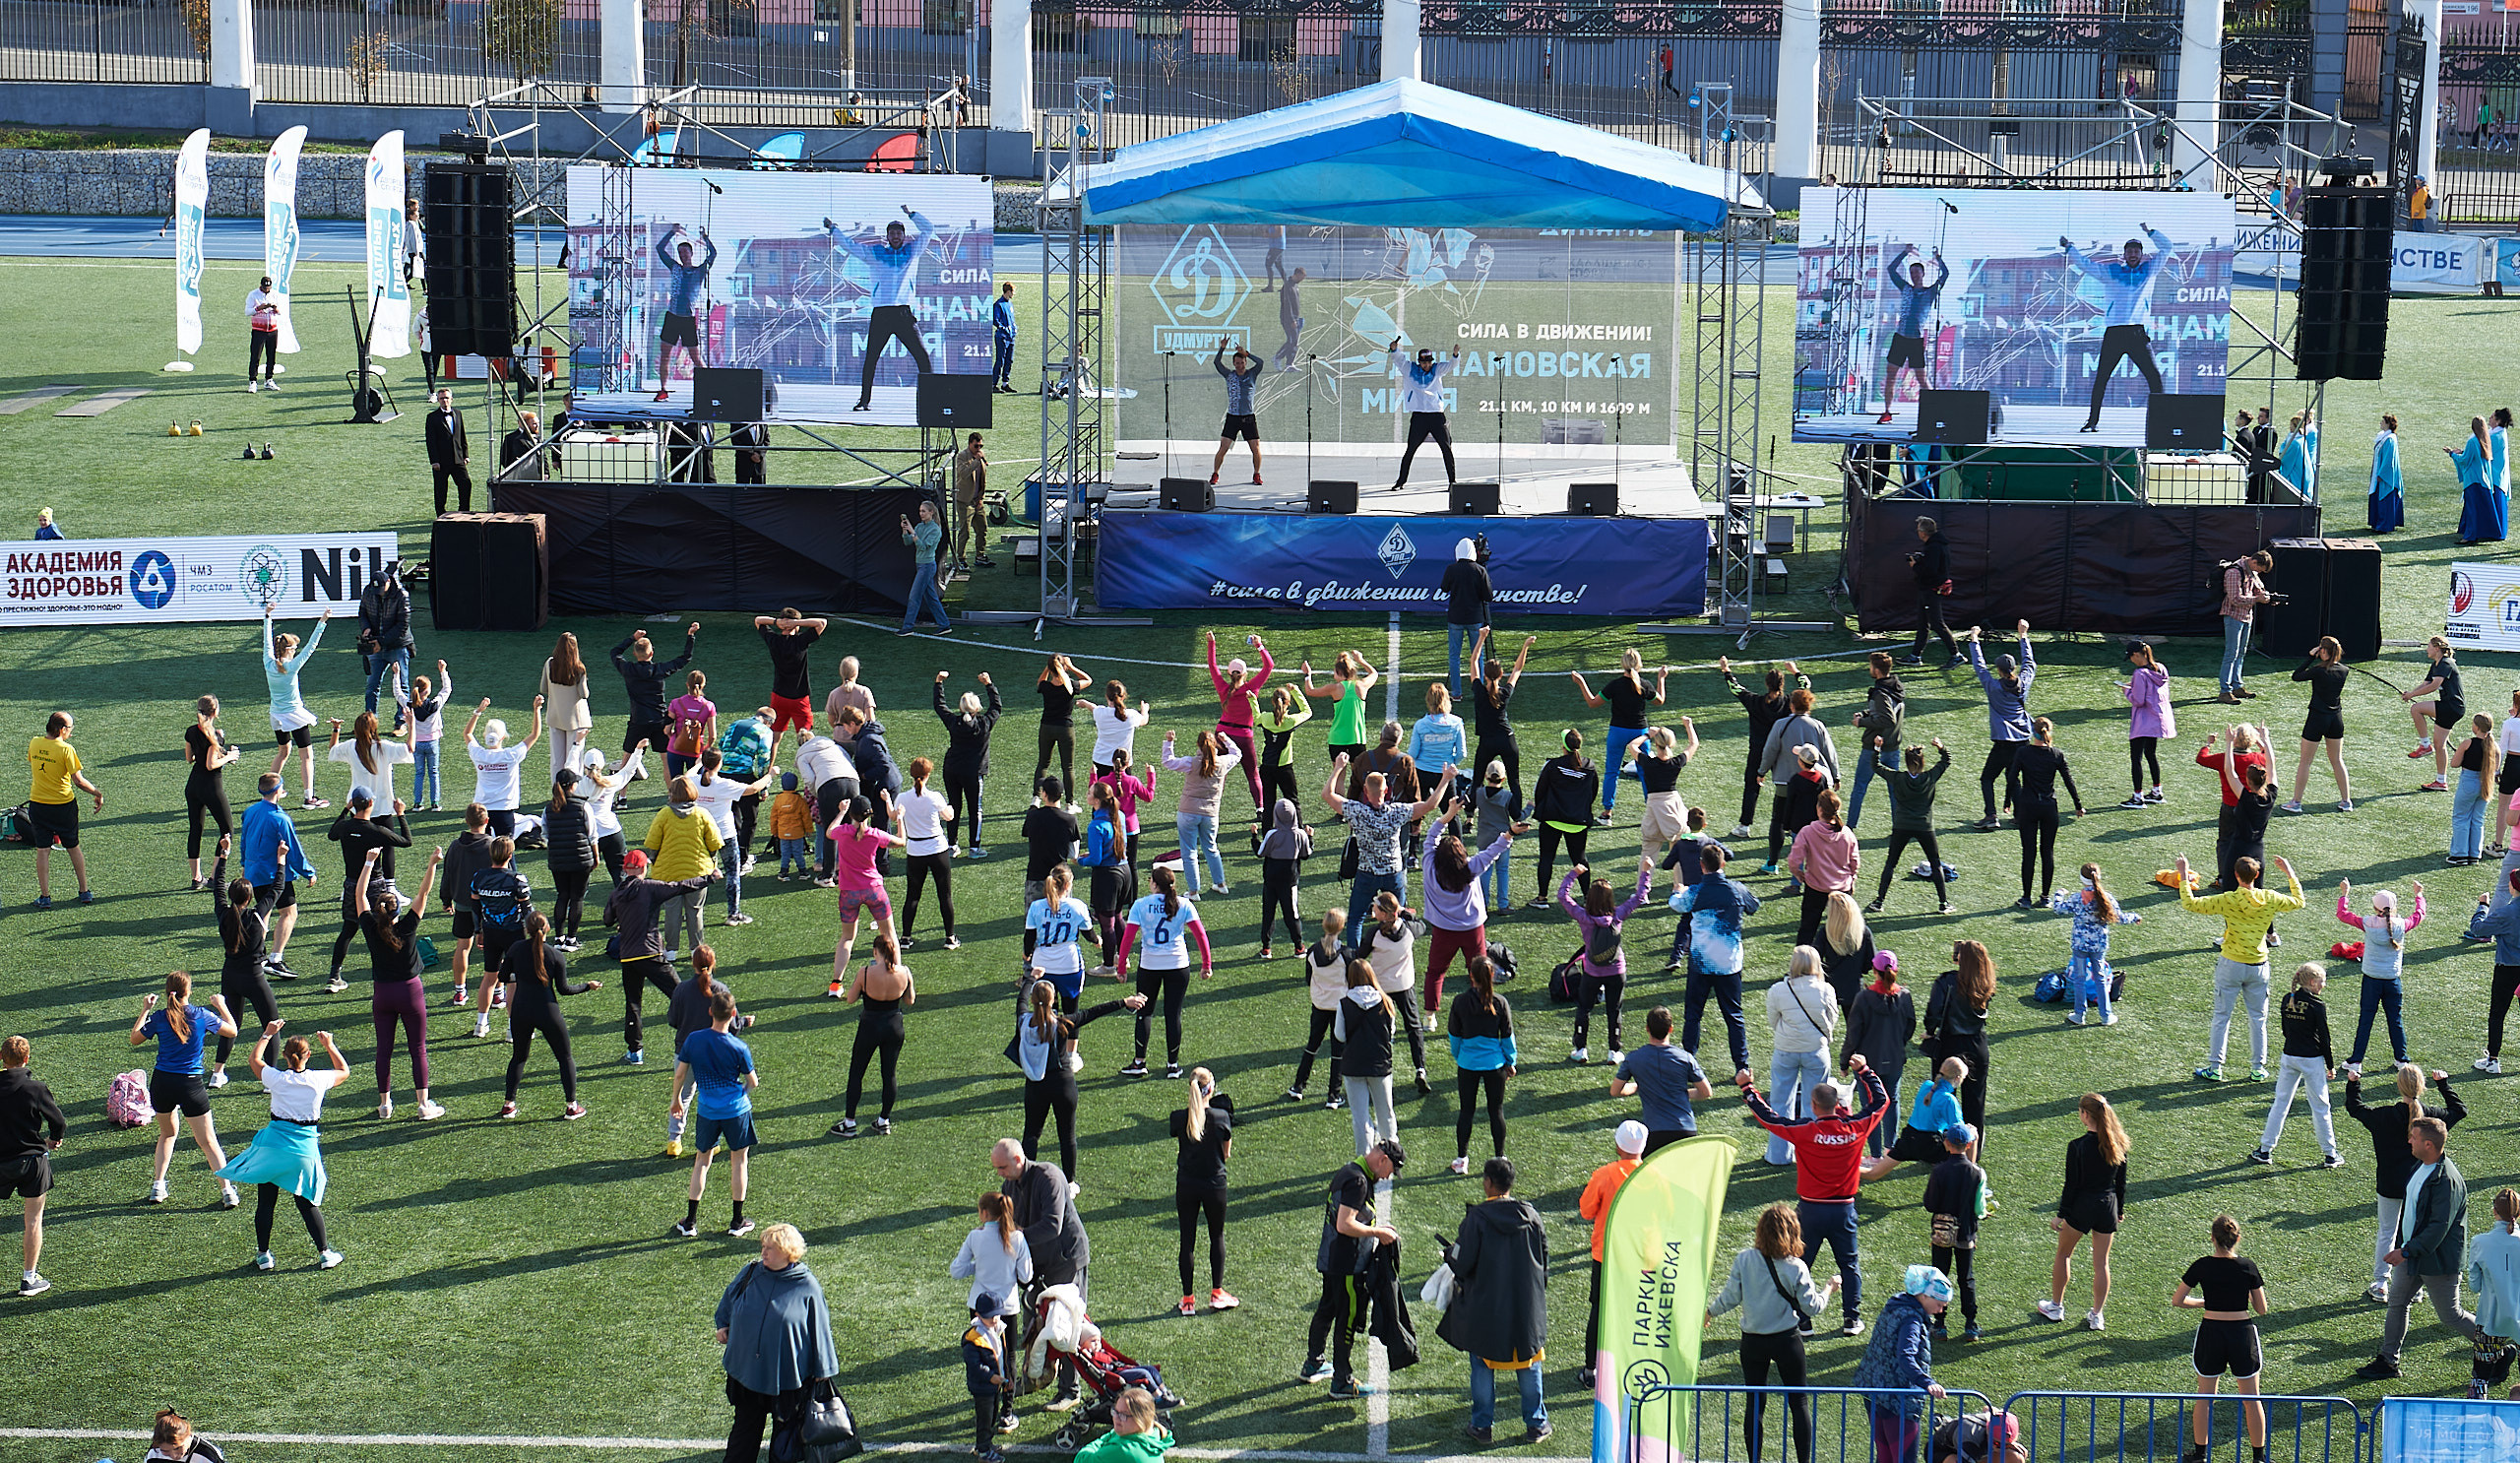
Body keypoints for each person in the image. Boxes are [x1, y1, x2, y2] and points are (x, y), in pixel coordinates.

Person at [1740, 1054, 1890, 1335]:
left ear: (1812, 1106)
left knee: (1801, 1263)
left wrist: (1748, 1088)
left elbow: (1769, 1118)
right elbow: (1881, 1103)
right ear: (1838, 1106)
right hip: (1844, 1209)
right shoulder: (1855, 1129)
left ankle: (1803, 1320)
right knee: (1849, 1265)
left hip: (1809, 1210)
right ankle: (1851, 1320)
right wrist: (1865, 1071)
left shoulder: (1805, 1131)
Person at [1707, 1202, 1836, 1463]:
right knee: (1798, 1403)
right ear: (1793, 1232)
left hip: (1752, 1342)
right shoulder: (1796, 1267)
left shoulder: (1744, 1258)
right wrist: (1830, 1288)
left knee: (1755, 1404)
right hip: (1786, 1341)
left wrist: (1709, 1312)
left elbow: (1730, 1297)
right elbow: (1812, 1308)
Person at [218, 1021, 346, 1270]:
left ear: (285, 1056)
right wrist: (330, 1045)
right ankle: (325, 1253)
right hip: (303, 1151)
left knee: (266, 1202)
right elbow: (344, 1070)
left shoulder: (276, 1079)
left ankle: (264, 1255)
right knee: (307, 1202)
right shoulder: (318, 1080)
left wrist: (267, 1034)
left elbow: (254, 1060)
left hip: (273, 1148)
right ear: (308, 1055)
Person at [1442, 1157, 1550, 1444]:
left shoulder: (1476, 1219)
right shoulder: (1531, 1216)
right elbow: (1544, 1261)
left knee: (1482, 1365)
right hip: (1525, 1307)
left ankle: (1482, 1426)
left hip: (1487, 1307)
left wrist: (1449, 1254)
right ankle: (1536, 1424)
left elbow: (1463, 1263)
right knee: (1528, 1364)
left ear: (1487, 1183)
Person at [714, 1222, 838, 1463]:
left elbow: (820, 1327)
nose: (763, 1253)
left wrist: (823, 1370)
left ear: (787, 1251)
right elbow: (730, 1298)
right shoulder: (751, 1272)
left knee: (784, 1443)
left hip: (787, 1379)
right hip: (749, 1373)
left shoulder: (807, 1286)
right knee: (743, 1435)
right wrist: (723, 1324)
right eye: (763, 1246)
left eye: (770, 1248)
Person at [2176, 853, 2302, 1083]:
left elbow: (2190, 903)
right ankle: (2257, 1068)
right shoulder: (2270, 898)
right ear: (2257, 875)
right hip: (2259, 966)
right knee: (2258, 1019)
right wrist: (2289, 872)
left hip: (2231, 965)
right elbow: (2299, 901)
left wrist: (2184, 873)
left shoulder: (2227, 900)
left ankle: (2215, 1067)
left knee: (2221, 1016)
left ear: (2235, 875)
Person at [2345, 1064, 2466, 1302]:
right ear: (2422, 1086)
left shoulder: (2383, 1116)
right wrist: (2444, 1084)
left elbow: (2355, 1108)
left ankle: (2381, 1283)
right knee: (2413, 1235)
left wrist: (2353, 1083)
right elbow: (2459, 1110)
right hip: (2421, 1186)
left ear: (2398, 1087)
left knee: (2387, 1232)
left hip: (2389, 1185)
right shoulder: (2432, 1118)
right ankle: (2415, 1288)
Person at [991, 1135, 1092, 1410]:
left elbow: (1052, 1226)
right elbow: (1009, 1225)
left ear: (1018, 1159)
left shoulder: (1050, 1176)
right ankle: (1034, 1376)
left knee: (1066, 1323)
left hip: (1066, 1259)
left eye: (1002, 1167)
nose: (1000, 1174)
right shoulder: (1009, 1185)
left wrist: (1017, 1236)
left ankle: (1070, 1390)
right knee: (1031, 1318)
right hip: (1040, 1262)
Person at [1013, 977, 1144, 1179]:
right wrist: (1123, 1002)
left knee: (1031, 1134)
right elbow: (1092, 1012)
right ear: (1053, 1000)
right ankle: (1070, 1183)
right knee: (1067, 1136)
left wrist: (1031, 978)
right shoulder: (1063, 1023)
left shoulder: (1023, 1021)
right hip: (1063, 1085)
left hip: (1035, 1086)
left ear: (1033, 1001)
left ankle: (1026, 1179)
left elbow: (1021, 1000)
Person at [129, 972, 239, 1208]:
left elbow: (135, 1039)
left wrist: (145, 1009)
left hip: (162, 1083)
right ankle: (228, 1191)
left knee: (167, 1134)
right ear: (188, 991)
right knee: (209, 1141)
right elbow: (232, 1030)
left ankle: (158, 1186)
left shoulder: (160, 1017)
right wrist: (221, 1005)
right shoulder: (202, 1015)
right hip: (190, 1085)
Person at [350, 849, 446, 1119]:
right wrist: (432, 863)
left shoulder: (370, 927)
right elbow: (424, 893)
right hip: (409, 992)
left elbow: (359, 896)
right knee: (417, 1049)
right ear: (397, 911)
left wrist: (368, 862)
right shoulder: (407, 927)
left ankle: (384, 1105)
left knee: (384, 1051)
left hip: (382, 994)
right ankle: (423, 1105)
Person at [1303, 1136, 1401, 1399]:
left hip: (1332, 1258)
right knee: (1346, 1319)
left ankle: (1313, 1363)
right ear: (1383, 1160)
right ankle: (1342, 1381)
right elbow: (1344, 1225)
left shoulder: (1349, 1170)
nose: (1386, 1178)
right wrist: (1377, 1232)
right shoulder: (1358, 1181)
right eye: (1390, 1171)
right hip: (1347, 1264)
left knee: (1327, 1308)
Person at [2174, 1214, 2272, 1462]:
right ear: (2237, 1238)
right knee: (2252, 1399)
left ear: (2212, 1238)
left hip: (2211, 1331)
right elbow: (2261, 1309)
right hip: (2242, 1333)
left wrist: (2205, 1302)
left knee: (2205, 1396)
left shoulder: (2201, 1265)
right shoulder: (2247, 1266)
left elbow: (2178, 1300)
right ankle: (2258, 1458)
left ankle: (2199, 1454)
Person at [1322, 752, 1448, 943]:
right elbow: (1430, 805)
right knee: (1399, 918)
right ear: (1387, 791)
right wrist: (1445, 779)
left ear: (1365, 791)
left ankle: (1356, 962)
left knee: (1356, 919)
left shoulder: (1357, 811)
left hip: (1366, 873)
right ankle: (1400, 952)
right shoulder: (1397, 812)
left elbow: (1327, 795)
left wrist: (1339, 767)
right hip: (1393, 873)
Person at [607, 850, 718, 1065]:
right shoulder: (650, 888)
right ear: (642, 868)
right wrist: (709, 878)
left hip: (628, 957)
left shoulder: (617, 893)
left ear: (626, 869)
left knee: (633, 1003)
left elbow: (607, 920)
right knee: (682, 994)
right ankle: (707, 1037)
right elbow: (679, 887)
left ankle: (635, 1052)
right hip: (650, 952)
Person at [2059, 225, 2173, 432]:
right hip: (2115, 333)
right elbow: (2085, 265)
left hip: (2137, 334)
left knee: (2154, 378)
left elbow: (2167, 247)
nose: (2132, 254)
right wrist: (2070, 248)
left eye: (2136, 251)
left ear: (2141, 254)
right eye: (2129, 251)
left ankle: (2160, 422)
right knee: (2102, 377)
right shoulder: (2111, 272)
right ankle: (2092, 422)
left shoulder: (2150, 270)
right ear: (2124, 255)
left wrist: (2151, 232)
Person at [826, 207, 936, 412]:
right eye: (892, 233)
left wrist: (912, 215)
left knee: (922, 356)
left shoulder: (913, 251)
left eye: (899, 233)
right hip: (882, 313)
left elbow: (929, 229)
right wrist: (834, 230)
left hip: (903, 313)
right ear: (887, 237)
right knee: (871, 358)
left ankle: (931, 400)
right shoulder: (875, 253)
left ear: (904, 235)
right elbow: (849, 246)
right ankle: (864, 401)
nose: (895, 237)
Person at [2037, 1092, 2129, 1329]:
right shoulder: (2119, 1144)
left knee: (2063, 1254)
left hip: (2082, 1206)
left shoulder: (2077, 1146)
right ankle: (2097, 1315)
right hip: (2108, 1206)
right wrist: (2119, 1209)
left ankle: (2056, 1307)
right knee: (2102, 1264)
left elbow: (2072, 1185)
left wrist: (2061, 1213)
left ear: (2085, 1115)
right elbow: (2121, 1183)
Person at [673, 985, 760, 1238]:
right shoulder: (739, 1047)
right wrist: (741, 1093)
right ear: (733, 1015)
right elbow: (753, 1081)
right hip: (736, 1111)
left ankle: (689, 1222)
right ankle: (737, 1221)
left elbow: (680, 1074)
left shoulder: (694, 1040)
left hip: (708, 1110)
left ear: (711, 1012)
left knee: (702, 1161)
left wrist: (676, 1100)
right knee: (739, 1161)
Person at [495, 913, 598, 1120]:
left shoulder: (515, 949)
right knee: (565, 1057)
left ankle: (508, 1105)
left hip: (521, 1010)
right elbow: (565, 989)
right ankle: (571, 1106)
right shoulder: (555, 955)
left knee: (519, 1057)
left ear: (526, 929)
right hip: (547, 1010)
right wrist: (587, 986)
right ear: (547, 929)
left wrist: (521, 975)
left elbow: (503, 977)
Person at [1670, 842, 1761, 1073]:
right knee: (1734, 1016)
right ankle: (1742, 1066)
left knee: (1693, 1015)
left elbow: (1675, 904)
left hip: (1700, 964)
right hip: (1729, 965)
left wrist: (1677, 889)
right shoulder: (1737, 889)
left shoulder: (1695, 892)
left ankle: (1688, 1064)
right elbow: (1755, 906)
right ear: (1723, 863)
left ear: (1701, 865)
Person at [1117, 865, 1213, 1079]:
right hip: (1178, 965)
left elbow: (1127, 939)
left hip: (1149, 966)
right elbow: (1201, 936)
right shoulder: (1184, 904)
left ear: (1154, 883)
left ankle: (1139, 1062)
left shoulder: (1140, 905)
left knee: (1144, 1012)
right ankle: (1173, 1065)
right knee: (1173, 1014)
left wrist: (1121, 967)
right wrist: (1206, 964)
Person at [1849, 1265, 1952, 1459]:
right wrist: (1927, 1382)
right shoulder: (1912, 1320)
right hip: (1899, 1400)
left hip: (1875, 1392)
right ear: (1924, 1296)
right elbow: (1906, 1357)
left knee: (1885, 1456)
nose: (1941, 1310)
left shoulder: (1895, 1305)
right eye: (1940, 1303)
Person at [1576, 1122, 1649, 1388]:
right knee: (1634, 1310)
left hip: (1605, 1255)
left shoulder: (1605, 1174)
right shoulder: (1653, 1175)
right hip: (1639, 1257)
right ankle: (1627, 1366)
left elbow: (1585, 1210)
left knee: (1599, 1310)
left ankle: (1591, 1370)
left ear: (1618, 1146)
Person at [1423, 810, 1513, 1022]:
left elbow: (1430, 837)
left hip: (1443, 930)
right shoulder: (1471, 868)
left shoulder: (1429, 866)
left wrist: (1448, 815)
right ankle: (1482, 1009)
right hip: (1472, 930)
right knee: (1479, 971)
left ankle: (1429, 1017)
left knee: (1435, 972)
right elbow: (1494, 850)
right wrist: (1510, 832)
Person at [2251, 962, 2343, 1166]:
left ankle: (2265, 1150)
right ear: (2312, 982)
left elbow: (2285, 1030)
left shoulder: (2287, 999)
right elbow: (2325, 1039)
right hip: (2312, 1060)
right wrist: (2330, 1065)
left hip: (2289, 1056)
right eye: (2322, 981)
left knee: (2280, 1103)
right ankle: (2330, 1154)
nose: (2323, 985)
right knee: (2321, 1107)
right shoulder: (2317, 1006)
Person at [1759, 943, 1843, 1167]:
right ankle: (1810, 1153)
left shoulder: (1778, 989)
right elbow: (1832, 1019)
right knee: (1814, 1104)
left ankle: (1778, 1155)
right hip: (1816, 1050)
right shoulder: (1826, 990)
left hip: (1785, 1050)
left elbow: (1773, 1020)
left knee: (1779, 1103)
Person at [320, 790, 410, 991]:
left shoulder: (344, 827)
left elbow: (331, 834)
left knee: (348, 929)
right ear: (371, 803)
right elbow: (406, 841)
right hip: (375, 886)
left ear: (354, 804)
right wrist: (401, 815)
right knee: (385, 929)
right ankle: (394, 971)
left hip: (352, 885)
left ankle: (334, 976)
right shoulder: (376, 831)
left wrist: (345, 809)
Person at [0, 1035, 66, 1295]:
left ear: (3, 1059)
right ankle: (29, 1279)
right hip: (32, 1161)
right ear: (27, 1058)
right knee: (33, 1220)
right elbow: (58, 1122)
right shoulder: (36, 1088)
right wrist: (54, 1140)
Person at [1168, 1065, 1236, 1314]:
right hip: (1214, 1184)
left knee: (1187, 1241)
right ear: (1211, 1088)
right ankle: (1217, 1293)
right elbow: (1226, 1153)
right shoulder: (1221, 1118)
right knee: (1216, 1235)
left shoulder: (1178, 1118)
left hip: (1186, 1184)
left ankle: (1188, 1300)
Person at [1574, 651, 1669, 824]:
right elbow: (1660, 701)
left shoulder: (1615, 685)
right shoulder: (1645, 685)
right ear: (1639, 664)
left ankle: (1607, 813)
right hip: (1640, 733)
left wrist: (1581, 683)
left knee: (1612, 772)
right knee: (1644, 772)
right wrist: (1661, 678)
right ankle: (1652, 812)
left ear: (1622, 664)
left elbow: (1592, 702)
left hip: (1617, 731)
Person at [2338, 877, 2421, 1072]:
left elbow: (2343, 914)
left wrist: (2345, 894)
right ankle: (2402, 1059)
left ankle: (2356, 1061)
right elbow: (2419, 915)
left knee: (2365, 1020)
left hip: (2371, 980)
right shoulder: (2401, 924)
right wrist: (2419, 896)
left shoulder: (2367, 923)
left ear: (2376, 908)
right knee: (2395, 1020)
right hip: (2392, 980)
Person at [1445, 954, 1517, 1174]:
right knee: (1496, 1111)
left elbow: (1454, 1036)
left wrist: (1460, 1057)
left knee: (1466, 1111)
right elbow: (1507, 1036)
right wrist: (1510, 1061)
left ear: (1471, 976)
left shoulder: (1460, 1001)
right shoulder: (1500, 1002)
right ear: (1492, 975)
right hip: (1495, 1066)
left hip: (1468, 1065)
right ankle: (1500, 1157)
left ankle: (1461, 1160)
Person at [1611, 1006, 1715, 1154]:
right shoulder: (1685, 1058)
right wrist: (1681, 1093)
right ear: (1671, 1029)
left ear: (1647, 1028)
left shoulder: (1634, 1058)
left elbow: (1615, 1090)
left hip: (1655, 1132)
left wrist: (1638, 1086)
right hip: (1686, 1130)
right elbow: (1706, 1092)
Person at [1922, 940, 1995, 1146]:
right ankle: (1973, 1152)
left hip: (1949, 1046)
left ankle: (1942, 1148)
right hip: (1976, 1045)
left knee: (1942, 1099)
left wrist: (1929, 1032)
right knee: (1975, 1104)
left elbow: (1933, 1013)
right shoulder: (1985, 982)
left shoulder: (1946, 981)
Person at [1842, 954, 1915, 1161]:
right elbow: (1910, 1026)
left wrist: (1845, 1060)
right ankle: (1889, 1150)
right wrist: (1898, 1044)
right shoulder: (1905, 996)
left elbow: (1853, 1033)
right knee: (1892, 1102)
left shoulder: (1864, 998)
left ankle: (1874, 1156)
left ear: (1874, 971)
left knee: (1870, 1107)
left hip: (1867, 1063)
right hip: (1894, 1059)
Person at [24, 710, 99, 909]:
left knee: (43, 850)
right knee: (73, 846)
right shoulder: (66, 749)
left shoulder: (34, 743)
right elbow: (79, 781)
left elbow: (36, 762)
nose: (71, 733)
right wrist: (97, 793)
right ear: (61, 729)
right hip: (63, 806)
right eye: (70, 729)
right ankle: (84, 892)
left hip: (38, 805)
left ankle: (45, 897)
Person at [1867, 737, 1953, 915]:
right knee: (1935, 863)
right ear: (1923, 762)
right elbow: (1946, 761)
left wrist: (1877, 747)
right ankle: (1943, 903)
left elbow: (1876, 766)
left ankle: (1879, 901)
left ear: (1906, 762)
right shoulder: (1930, 777)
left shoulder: (1898, 778)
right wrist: (1941, 747)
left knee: (1891, 863)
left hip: (1902, 825)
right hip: (1924, 826)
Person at [2049, 861, 2139, 1028]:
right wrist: (2135, 917)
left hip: (2079, 945)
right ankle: (2106, 1015)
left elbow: (2058, 909)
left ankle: (2079, 1014)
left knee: (2079, 979)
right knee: (2100, 979)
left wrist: (2059, 894)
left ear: (2082, 879)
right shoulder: (2106, 897)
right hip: (2099, 945)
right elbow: (2120, 918)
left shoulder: (2077, 898)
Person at [1964, 621, 2035, 830]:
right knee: (2013, 777)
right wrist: (2024, 635)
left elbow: (1979, 666)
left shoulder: (1993, 686)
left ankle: (1991, 816)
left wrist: (1974, 639)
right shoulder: (2024, 682)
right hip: (2023, 739)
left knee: (1987, 778)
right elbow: (2029, 663)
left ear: (2000, 670)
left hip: (2004, 741)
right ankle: (2020, 816)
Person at [261, 606, 332, 808]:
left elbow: (266, 640)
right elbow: (311, 646)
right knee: (306, 755)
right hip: (293, 715)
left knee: (283, 751)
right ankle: (309, 798)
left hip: (276, 716)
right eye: (294, 648)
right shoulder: (292, 666)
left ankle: (269, 791)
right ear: (288, 650)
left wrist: (267, 616)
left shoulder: (268, 662)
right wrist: (323, 621)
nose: (296, 651)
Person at [2006, 718, 2081, 908]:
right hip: (2049, 807)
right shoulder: (2056, 754)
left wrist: (2007, 801)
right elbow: (2068, 780)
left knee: (2028, 853)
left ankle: (2025, 897)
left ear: (2033, 732)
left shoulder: (2023, 753)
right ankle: (2045, 897)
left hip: (2028, 807)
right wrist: (2077, 804)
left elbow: (2012, 778)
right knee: (2047, 852)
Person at [1923, 1123, 1986, 1340]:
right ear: (1968, 1144)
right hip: (1966, 1233)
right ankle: (1970, 1324)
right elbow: (1979, 1208)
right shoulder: (1976, 1172)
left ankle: (1939, 1324)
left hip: (1942, 1232)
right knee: (1966, 1278)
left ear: (1946, 1143)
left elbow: (1930, 1204)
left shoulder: (1939, 1171)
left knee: (1939, 1276)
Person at [1162, 729, 1240, 898]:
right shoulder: (1223, 763)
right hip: (1211, 814)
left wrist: (1169, 742)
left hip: (1188, 812)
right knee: (1211, 848)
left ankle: (1193, 891)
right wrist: (1226, 740)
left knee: (1189, 852)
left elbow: (1168, 762)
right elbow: (1237, 754)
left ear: (1198, 745)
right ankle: (1221, 884)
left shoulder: (1191, 762)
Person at [1334, 959, 1401, 1154]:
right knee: (1386, 1111)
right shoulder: (1385, 1001)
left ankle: (1363, 1156)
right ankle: (1392, 1152)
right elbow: (1391, 1031)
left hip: (1353, 1065)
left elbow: (1340, 1035)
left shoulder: (1344, 1004)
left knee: (1360, 1117)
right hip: (1380, 1064)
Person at [1526, 730, 1601, 901]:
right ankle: (1588, 897)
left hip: (1552, 820)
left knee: (1546, 858)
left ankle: (1542, 898)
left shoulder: (1553, 765)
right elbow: (1593, 792)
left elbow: (1540, 791)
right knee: (1580, 859)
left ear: (1563, 746)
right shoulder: (1589, 766)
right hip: (1578, 822)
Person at [1876, 245, 1949, 421]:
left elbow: (1945, 275)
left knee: (1922, 379)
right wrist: (1905, 252)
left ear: (1923, 274)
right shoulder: (1905, 288)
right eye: (1912, 272)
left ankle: (1935, 410)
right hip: (1900, 338)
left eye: (1917, 272)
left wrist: (1938, 258)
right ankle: (1887, 411)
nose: (1914, 275)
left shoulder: (1931, 291)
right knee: (1891, 374)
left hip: (1916, 341)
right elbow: (1891, 269)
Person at [614, 624, 698, 771]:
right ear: (651, 653)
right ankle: (672, 793)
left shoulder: (628, 669)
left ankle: (622, 794)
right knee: (667, 763)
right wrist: (690, 635)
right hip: (660, 720)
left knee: (627, 762)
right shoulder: (659, 670)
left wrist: (632, 638)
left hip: (638, 720)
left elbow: (615, 652)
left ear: (634, 653)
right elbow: (685, 658)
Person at [1288, 910, 1351, 1106]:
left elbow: (1309, 979)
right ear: (1341, 927)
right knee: (1337, 1050)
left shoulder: (1313, 951)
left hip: (1319, 1005)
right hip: (1340, 1007)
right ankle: (1333, 1094)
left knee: (1312, 1046)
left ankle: (1298, 1086)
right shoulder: (1347, 954)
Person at [648, 223, 717, 398]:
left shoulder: (700, 270)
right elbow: (660, 249)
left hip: (688, 319)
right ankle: (663, 389)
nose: (683, 255)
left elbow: (713, 254)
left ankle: (709, 387)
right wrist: (672, 232)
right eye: (680, 253)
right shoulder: (675, 268)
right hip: (672, 317)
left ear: (691, 254)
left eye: (685, 252)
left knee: (696, 358)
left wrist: (705, 238)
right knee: (665, 355)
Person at [182, 696, 242, 891]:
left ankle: (196, 878)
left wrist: (221, 752)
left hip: (193, 786)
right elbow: (210, 765)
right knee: (227, 830)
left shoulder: (191, 731)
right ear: (215, 712)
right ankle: (216, 876)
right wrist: (229, 756)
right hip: (211, 787)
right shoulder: (215, 735)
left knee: (195, 830)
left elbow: (190, 758)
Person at [1468, 628, 1533, 809]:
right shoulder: (1504, 693)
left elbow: (1473, 660)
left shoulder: (1479, 691)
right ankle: (1517, 816)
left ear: (1485, 675)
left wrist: (1481, 637)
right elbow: (1518, 669)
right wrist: (1525, 646)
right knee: (1514, 781)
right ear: (1500, 675)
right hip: (1507, 739)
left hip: (1487, 741)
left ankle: (1470, 817)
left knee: (1477, 780)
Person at [462, 697, 542, 840]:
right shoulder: (511, 755)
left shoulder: (479, 755)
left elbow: (467, 733)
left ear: (485, 736)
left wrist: (478, 712)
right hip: (505, 810)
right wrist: (536, 710)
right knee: (506, 853)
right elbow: (535, 734)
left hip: (482, 810)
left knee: (482, 849)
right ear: (503, 737)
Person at [1788, 789, 1860, 941]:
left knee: (1807, 929)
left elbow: (1794, 861)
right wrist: (1852, 880)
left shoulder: (1808, 832)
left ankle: (1803, 963)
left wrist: (1800, 876)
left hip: (1816, 888)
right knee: (1842, 932)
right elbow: (1854, 862)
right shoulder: (1847, 833)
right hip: (1842, 889)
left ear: (1819, 809)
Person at [1387, 337, 1458, 488]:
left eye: (1429, 362)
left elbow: (1452, 365)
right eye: (1424, 362)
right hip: (1419, 416)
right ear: (1419, 361)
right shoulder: (1410, 369)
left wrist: (1455, 355)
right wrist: (1394, 349)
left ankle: (1452, 482)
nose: (1427, 365)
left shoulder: (1437, 369)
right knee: (1410, 449)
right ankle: (1401, 481)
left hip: (1436, 415)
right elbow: (1398, 359)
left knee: (1446, 448)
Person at [1626, 723, 1700, 865]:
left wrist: (1648, 735)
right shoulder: (1676, 763)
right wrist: (1688, 725)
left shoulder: (1648, 763)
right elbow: (1694, 743)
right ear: (1671, 744)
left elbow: (1632, 746)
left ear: (1656, 744)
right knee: (1678, 852)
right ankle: (1678, 885)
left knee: (1648, 851)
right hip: (1673, 805)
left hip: (1654, 806)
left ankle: (1643, 886)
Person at [2471, 1189, 2520, 1400]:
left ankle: (2476, 1418)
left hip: (2489, 1318)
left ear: (2494, 1211)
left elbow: (2474, 1286)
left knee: (2480, 1378)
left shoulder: (2480, 1242)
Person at [2114, 641, 2175, 808]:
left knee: (2136, 758)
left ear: (2136, 655)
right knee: (2151, 754)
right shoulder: (2160, 669)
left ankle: (2137, 797)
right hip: (2158, 720)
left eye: (2131, 657)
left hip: (2143, 722)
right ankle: (2157, 792)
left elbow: (2138, 700)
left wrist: (2127, 690)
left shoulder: (2139, 674)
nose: (2132, 661)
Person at [2403, 634, 2468, 792]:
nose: (2427, 649)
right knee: (2440, 745)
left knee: (2416, 709)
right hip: (2452, 708)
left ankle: (2424, 745)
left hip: (2451, 706)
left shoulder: (2445, 663)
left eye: (2429, 646)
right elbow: (2426, 683)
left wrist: (2412, 696)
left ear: (2437, 648)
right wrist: (2410, 693)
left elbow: (2434, 685)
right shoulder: (2437, 664)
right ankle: (2441, 781)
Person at [2471, 867, 2520, 1073]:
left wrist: (2483, 906)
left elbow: (2478, 929)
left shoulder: (2507, 913)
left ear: (2514, 887)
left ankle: (2493, 1060)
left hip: (2507, 969)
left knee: (2497, 1014)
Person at [542, 769, 598, 950]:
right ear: (573, 785)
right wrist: (596, 857)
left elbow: (545, 834)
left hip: (558, 860)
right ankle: (572, 940)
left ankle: (558, 938)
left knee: (562, 896)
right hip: (581, 860)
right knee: (577, 898)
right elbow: (592, 835)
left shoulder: (549, 808)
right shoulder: (583, 806)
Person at [325, 711, 413, 817]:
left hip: (358, 806)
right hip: (382, 806)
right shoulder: (384, 747)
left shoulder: (351, 746)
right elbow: (410, 748)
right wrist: (412, 725)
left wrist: (336, 728)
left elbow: (333, 749)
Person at [1301, 651, 1378, 767]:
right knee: (1357, 778)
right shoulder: (1361, 685)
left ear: (1339, 672)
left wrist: (1308, 674)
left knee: (1338, 777)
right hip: (1357, 738)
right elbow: (1374, 674)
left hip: (1337, 738)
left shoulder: (1334, 688)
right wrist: (1361, 660)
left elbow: (1310, 691)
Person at [2215, 550, 2272, 704]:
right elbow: (2234, 599)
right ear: (2254, 562)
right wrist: (2257, 599)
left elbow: (2258, 589)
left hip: (2246, 616)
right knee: (2231, 653)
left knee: (2241, 653)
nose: (2259, 572)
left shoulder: (2249, 570)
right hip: (2233, 616)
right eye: (2259, 569)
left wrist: (2266, 597)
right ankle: (2225, 691)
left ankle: (2237, 686)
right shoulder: (2234, 572)